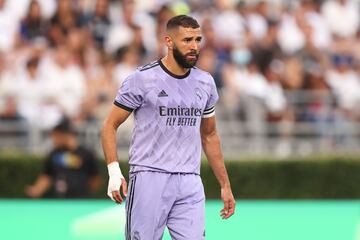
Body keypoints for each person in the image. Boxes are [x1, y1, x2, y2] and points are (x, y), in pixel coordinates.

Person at [101, 15, 235, 239]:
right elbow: (109, 125)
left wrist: (225, 185)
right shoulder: (142, 80)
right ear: (169, 41)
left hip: (190, 179)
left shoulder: (205, 82)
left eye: (198, 40)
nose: (194, 47)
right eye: (187, 40)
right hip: (149, 176)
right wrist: (114, 172)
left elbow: (210, 135)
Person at [25, 119, 100, 198]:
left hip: (80, 201)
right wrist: (37, 190)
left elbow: (95, 178)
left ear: (65, 135)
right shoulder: (54, 154)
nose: (54, 140)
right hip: (60, 201)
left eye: (56, 136)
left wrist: (85, 192)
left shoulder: (86, 154)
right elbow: (47, 175)